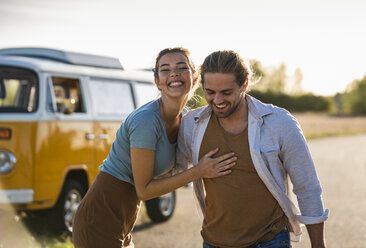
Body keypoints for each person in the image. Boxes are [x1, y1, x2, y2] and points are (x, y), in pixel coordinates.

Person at [72, 47, 237, 248]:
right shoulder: (146, 121)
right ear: (158, 82)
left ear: (194, 80)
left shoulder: (184, 119)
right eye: (165, 69)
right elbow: (144, 190)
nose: (174, 73)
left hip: (123, 221)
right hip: (98, 220)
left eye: (181, 67)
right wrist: (199, 171)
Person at [176, 50, 329, 248]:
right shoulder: (192, 125)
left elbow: (307, 187)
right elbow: (172, 171)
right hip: (214, 242)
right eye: (210, 92)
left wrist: (319, 245)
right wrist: (197, 171)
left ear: (244, 85)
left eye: (226, 92)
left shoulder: (280, 123)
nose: (218, 100)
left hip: (270, 241)